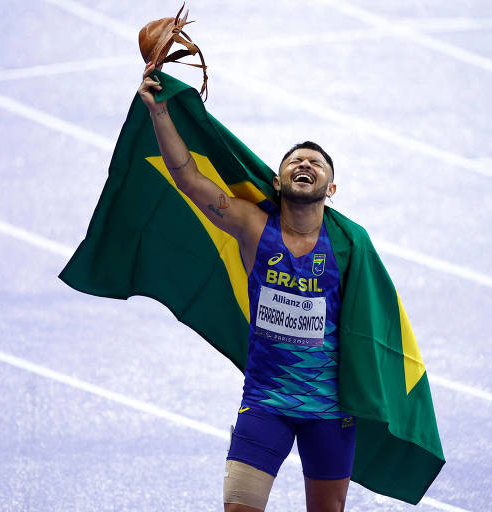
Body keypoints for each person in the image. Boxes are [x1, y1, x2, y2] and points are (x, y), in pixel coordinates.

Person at [139, 61, 354, 512]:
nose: (305, 165)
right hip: (266, 400)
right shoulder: (255, 228)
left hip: (329, 409)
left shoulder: (351, 246)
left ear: (330, 188)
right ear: (277, 181)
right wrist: (160, 112)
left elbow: (371, 319)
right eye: (296, 160)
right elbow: (188, 179)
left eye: (316, 164)